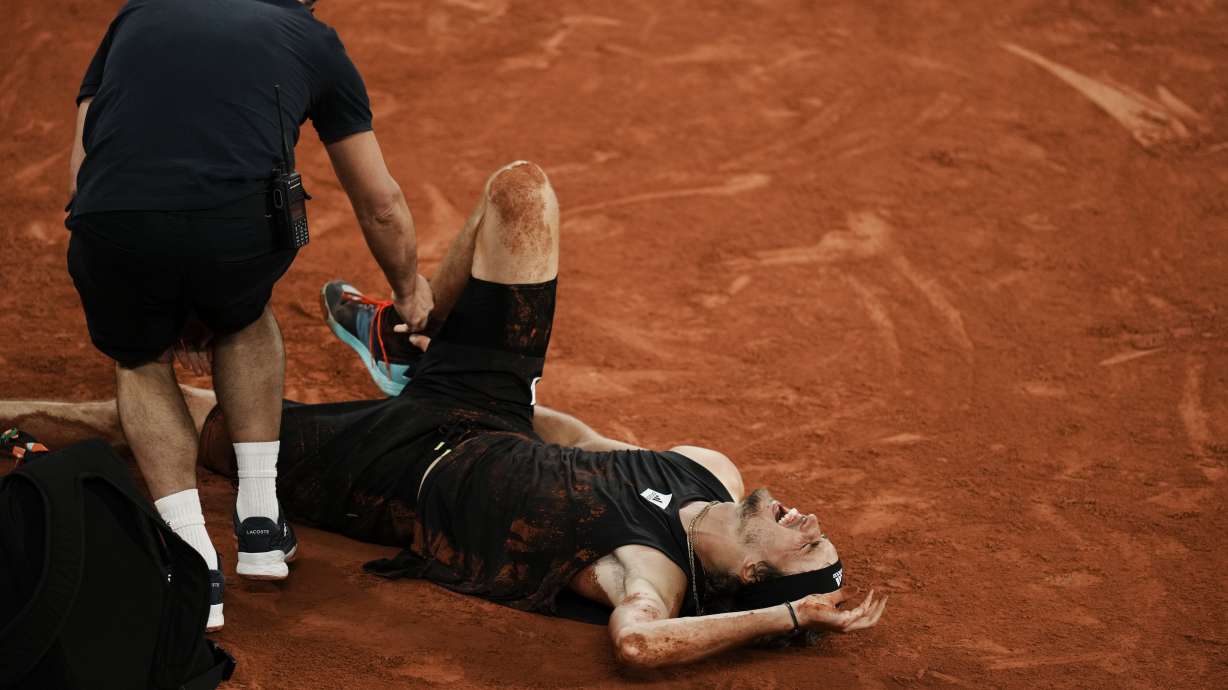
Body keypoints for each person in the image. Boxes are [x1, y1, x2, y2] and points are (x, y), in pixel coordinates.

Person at [16, 161, 885, 666]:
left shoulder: (648, 574)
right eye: (816, 527)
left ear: (751, 580)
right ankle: (400, 336)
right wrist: (489, 370)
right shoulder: (710, 469)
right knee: (522, 191)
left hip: (391, 474)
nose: (806, 516)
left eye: (805, 542)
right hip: (487, 406)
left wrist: (792, 621)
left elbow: (638, 647)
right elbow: (579, 441)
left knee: (184, 416)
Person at [64, 0, 432, 630]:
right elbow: (380, 202)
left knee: (139, 358)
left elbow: (82, 168)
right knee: (244, 317)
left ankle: (191, 559)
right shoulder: (312, 39)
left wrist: (146, 273)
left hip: (112, 221)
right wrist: (409, 290)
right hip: (237, 232)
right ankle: (260, 524)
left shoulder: (133, 16)